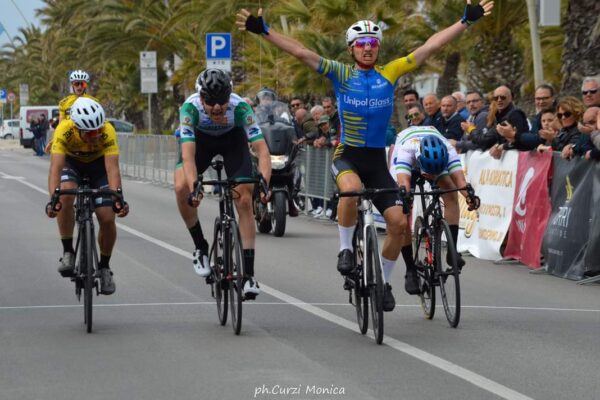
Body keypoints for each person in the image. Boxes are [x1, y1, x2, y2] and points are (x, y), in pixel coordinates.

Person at [236, 0, 494, 311]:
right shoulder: (340, 73)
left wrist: (464, 22)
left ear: (378, 47)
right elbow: (302, 52)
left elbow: (430, 47)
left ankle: (383, 282)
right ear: (351, 49)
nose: (368, 48)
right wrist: (265, 32)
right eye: (361, 43)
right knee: (351, 190)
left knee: (398, 223)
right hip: (348, 155)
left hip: (376, 161)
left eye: (373, 43)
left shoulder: (391, 72)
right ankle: (346, 249)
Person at [179, 69, 271, 299]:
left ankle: (248, 275)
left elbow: (262, 150)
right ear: (201, 98)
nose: (218, 107)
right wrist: (194, 186)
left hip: (232, 143)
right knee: (181, 186)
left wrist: (265, 183)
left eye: (222, 100)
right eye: (211, 102)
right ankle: (200, 247)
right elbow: (188, 156)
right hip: (201, 143)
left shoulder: (240, 108)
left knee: (245, 200)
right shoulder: (190, 109)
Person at [45, 98, 129, 295]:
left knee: (107, 217)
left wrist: (118, 198)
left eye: (98, 130)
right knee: (64, 196)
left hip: (98, 167)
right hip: (72, 164)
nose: (96, 135)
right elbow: (56, 168)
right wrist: (53, 199)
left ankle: (105, 267)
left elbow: (112, 168)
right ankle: (68, 251)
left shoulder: (107, 131)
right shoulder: (64, 130)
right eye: (90, 133)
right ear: (77, 128)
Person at [389, 126, 479, 291]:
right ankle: (410, 269)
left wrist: (469, 196)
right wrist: (406, 197)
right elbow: (403, 182)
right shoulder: (406, 151)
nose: (432, 176)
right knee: (402, 209)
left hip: (434, 150)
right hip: (408, 152)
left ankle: (452, 251)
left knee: (450, 192)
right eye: (430, 173)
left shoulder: (448, 150)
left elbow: (460, 182)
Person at [45, 69, 98, 154]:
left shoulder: (94, 101)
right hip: (70, 145)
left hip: (87, 144)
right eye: (76, 84)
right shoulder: (64, 103)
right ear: (72, 85)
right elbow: (61, 126)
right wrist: (53, 141)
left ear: (85, 86)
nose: (79, 87)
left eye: (82, 84)